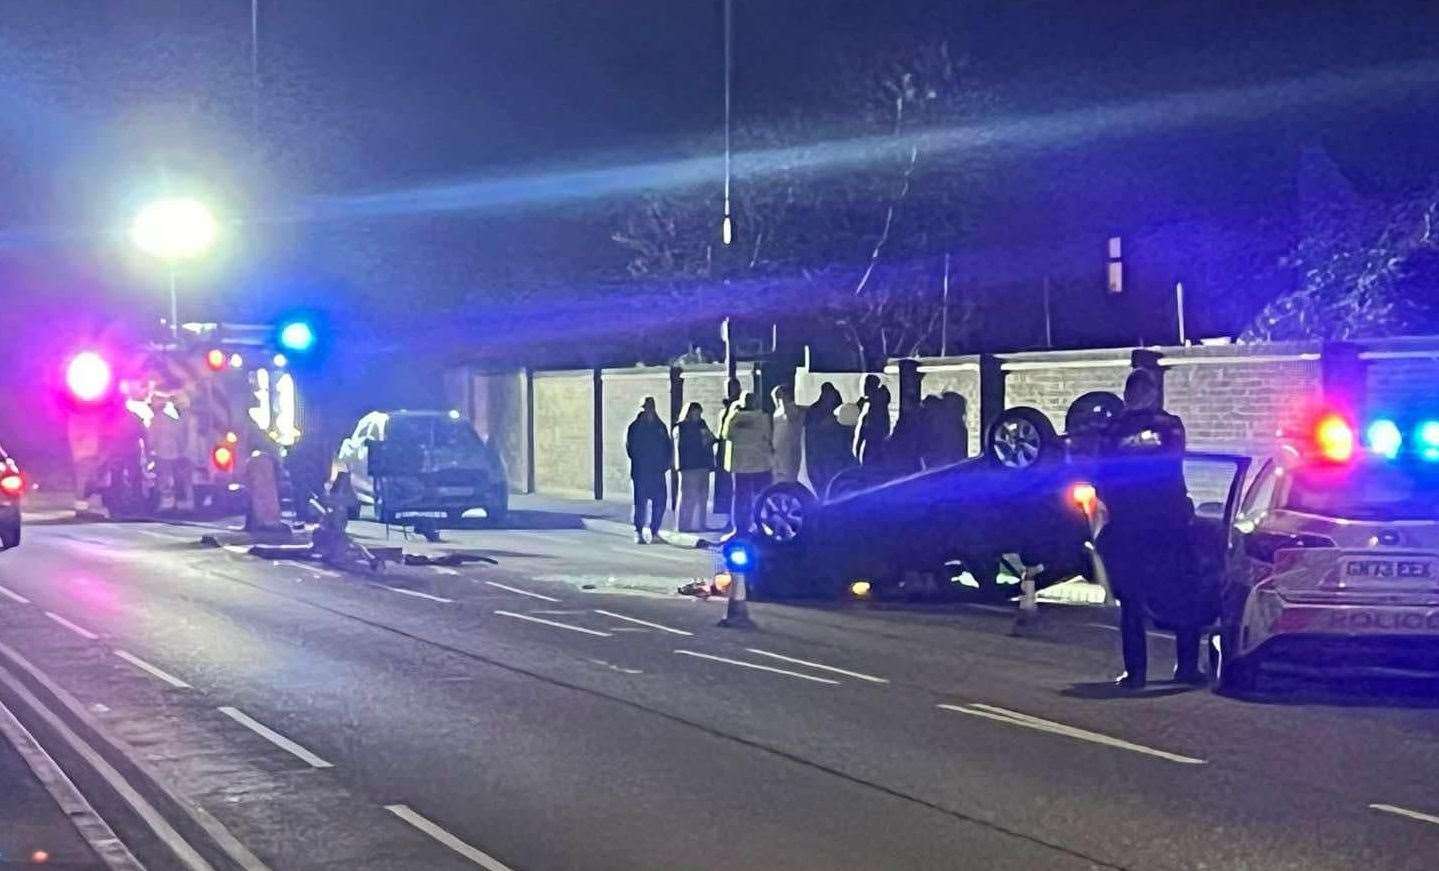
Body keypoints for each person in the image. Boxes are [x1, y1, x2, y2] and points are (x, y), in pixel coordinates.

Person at [1094, 368, 1200, 689]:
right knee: (1182, 593)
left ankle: (1138, 674)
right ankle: (1186, 667)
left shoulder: (1113, 430)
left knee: (1134, 601)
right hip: (1169, 522)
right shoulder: (1170, 426)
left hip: (1132, 524)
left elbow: (1103, 477)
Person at [720, 391, 772, 534]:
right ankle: (759, 524)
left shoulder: (734, 417)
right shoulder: (762, 417)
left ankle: (740, 526)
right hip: (759, 463)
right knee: (759, 495)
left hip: (740, 464)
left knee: (740, 497)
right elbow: (767, 436)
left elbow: (726, 434)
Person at [625, 397, 672, 544]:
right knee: (640, 502)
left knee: (660, 502)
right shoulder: (635, 427)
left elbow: (667, 446)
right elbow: (631, 448)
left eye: (650, 407)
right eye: (645, 408)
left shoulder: (660, 427)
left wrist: (666, 463)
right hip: (641, 471)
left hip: (657, 471)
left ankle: (654, 530)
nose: (648, 410)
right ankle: (638, 531)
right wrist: (641, 461)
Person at [672, 402, 715, 533]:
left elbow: (710, 439)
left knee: (702, 496)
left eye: (699, 413)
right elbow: (682, 447)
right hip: (689, 466)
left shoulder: (702, 424)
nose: (697, 416)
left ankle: (700, 524)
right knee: (687, 497)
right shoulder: (681, 427)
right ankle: (683, 525)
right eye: (695, 413)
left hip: (703, 464)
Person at [802, 383, 847, 496]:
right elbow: (811, 434)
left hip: (832, 455)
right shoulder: (815, 411)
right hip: (820, 455)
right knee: (823, 484)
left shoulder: (835, 410)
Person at [712, 378, 741, 525]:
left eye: (733, 387)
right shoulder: (724, 409)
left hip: (736, 452)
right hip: (723, 451)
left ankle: (734, 519)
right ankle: (728, 517)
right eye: (728, 388)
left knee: (735, 488)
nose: (730, 391)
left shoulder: (739, 409)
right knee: (725, 487)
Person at [853, 374, 892, 466]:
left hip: (874, 446)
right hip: (876, 445)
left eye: (866, 385)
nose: (864, 388)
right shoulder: (877, 404)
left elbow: (865, 431)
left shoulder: (876, 407)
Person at [770, 385, 803, 484]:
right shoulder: (777, 411)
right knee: (777, 474)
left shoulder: (792, 408)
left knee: (788, 473)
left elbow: (790, 417)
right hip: (777, 447)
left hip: (788, 446)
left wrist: (784, 400)